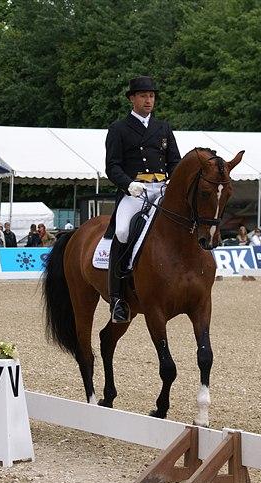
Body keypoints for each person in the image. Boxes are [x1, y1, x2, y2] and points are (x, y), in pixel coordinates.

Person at [105, 76, 181, 324]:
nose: (148, 100)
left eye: (151, 96)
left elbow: (175, 162)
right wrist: (128, 184)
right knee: (124, 231)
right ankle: (117, 298)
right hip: (134, 192)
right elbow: (112, 166)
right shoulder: (119, 128)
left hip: (161, 189)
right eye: (143, 96)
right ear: (132, 98)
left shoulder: (163, 128)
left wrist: (173, 182)